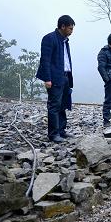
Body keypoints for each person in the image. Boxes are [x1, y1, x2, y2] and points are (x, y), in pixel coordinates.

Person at [36, 15, 75, 143]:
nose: (71, 31)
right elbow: (45, 60)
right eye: (70, 28)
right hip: (54, 77)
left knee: (63, 104)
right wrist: (47, 79)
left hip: (65, 77)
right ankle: (53, 134)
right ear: (62, 26)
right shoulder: (49, 38)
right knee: (54, 105)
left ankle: (61, 131)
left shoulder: (64, 41)